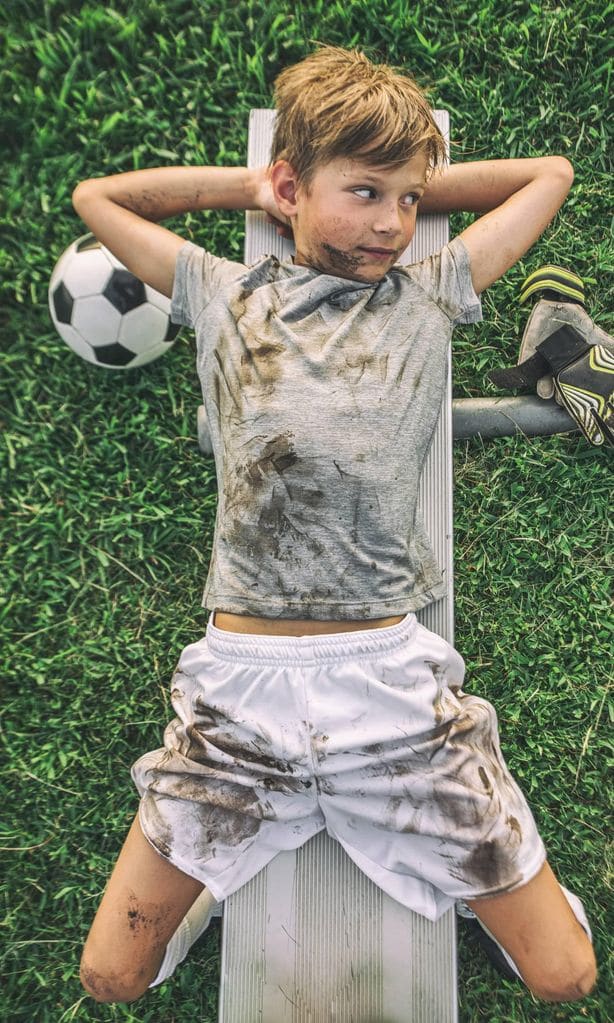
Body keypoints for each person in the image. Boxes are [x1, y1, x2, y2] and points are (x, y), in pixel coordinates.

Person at [72, 44, 596, 1006]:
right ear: (291, 187)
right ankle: (215, 882)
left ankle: (458, 877)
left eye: (410, 198)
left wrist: (406, 177)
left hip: (390, 693)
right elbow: (100, 200)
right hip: (238, 702)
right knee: (110, 976)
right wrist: (260, 188)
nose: (393, 223)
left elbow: (548, 176)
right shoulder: (221, 293)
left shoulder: (431, 293)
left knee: (566, 975)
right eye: (364, 193)